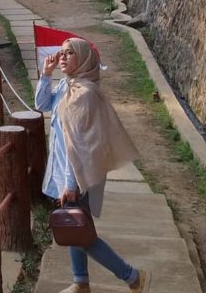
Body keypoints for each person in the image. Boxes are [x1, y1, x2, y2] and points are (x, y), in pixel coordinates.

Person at [36, 37, 151, 293]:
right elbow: (42, 105)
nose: (62, 57)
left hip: (79, 175)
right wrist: (46, 75)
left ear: (84, 59)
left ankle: (132, 276)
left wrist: (70, 184)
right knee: (74, 227)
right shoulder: (68, 87)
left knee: (83, 234)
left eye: (69, 53)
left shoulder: (85, 94)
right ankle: (81, 282)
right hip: (69, 173)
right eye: (61, 52)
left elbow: (76, 146)